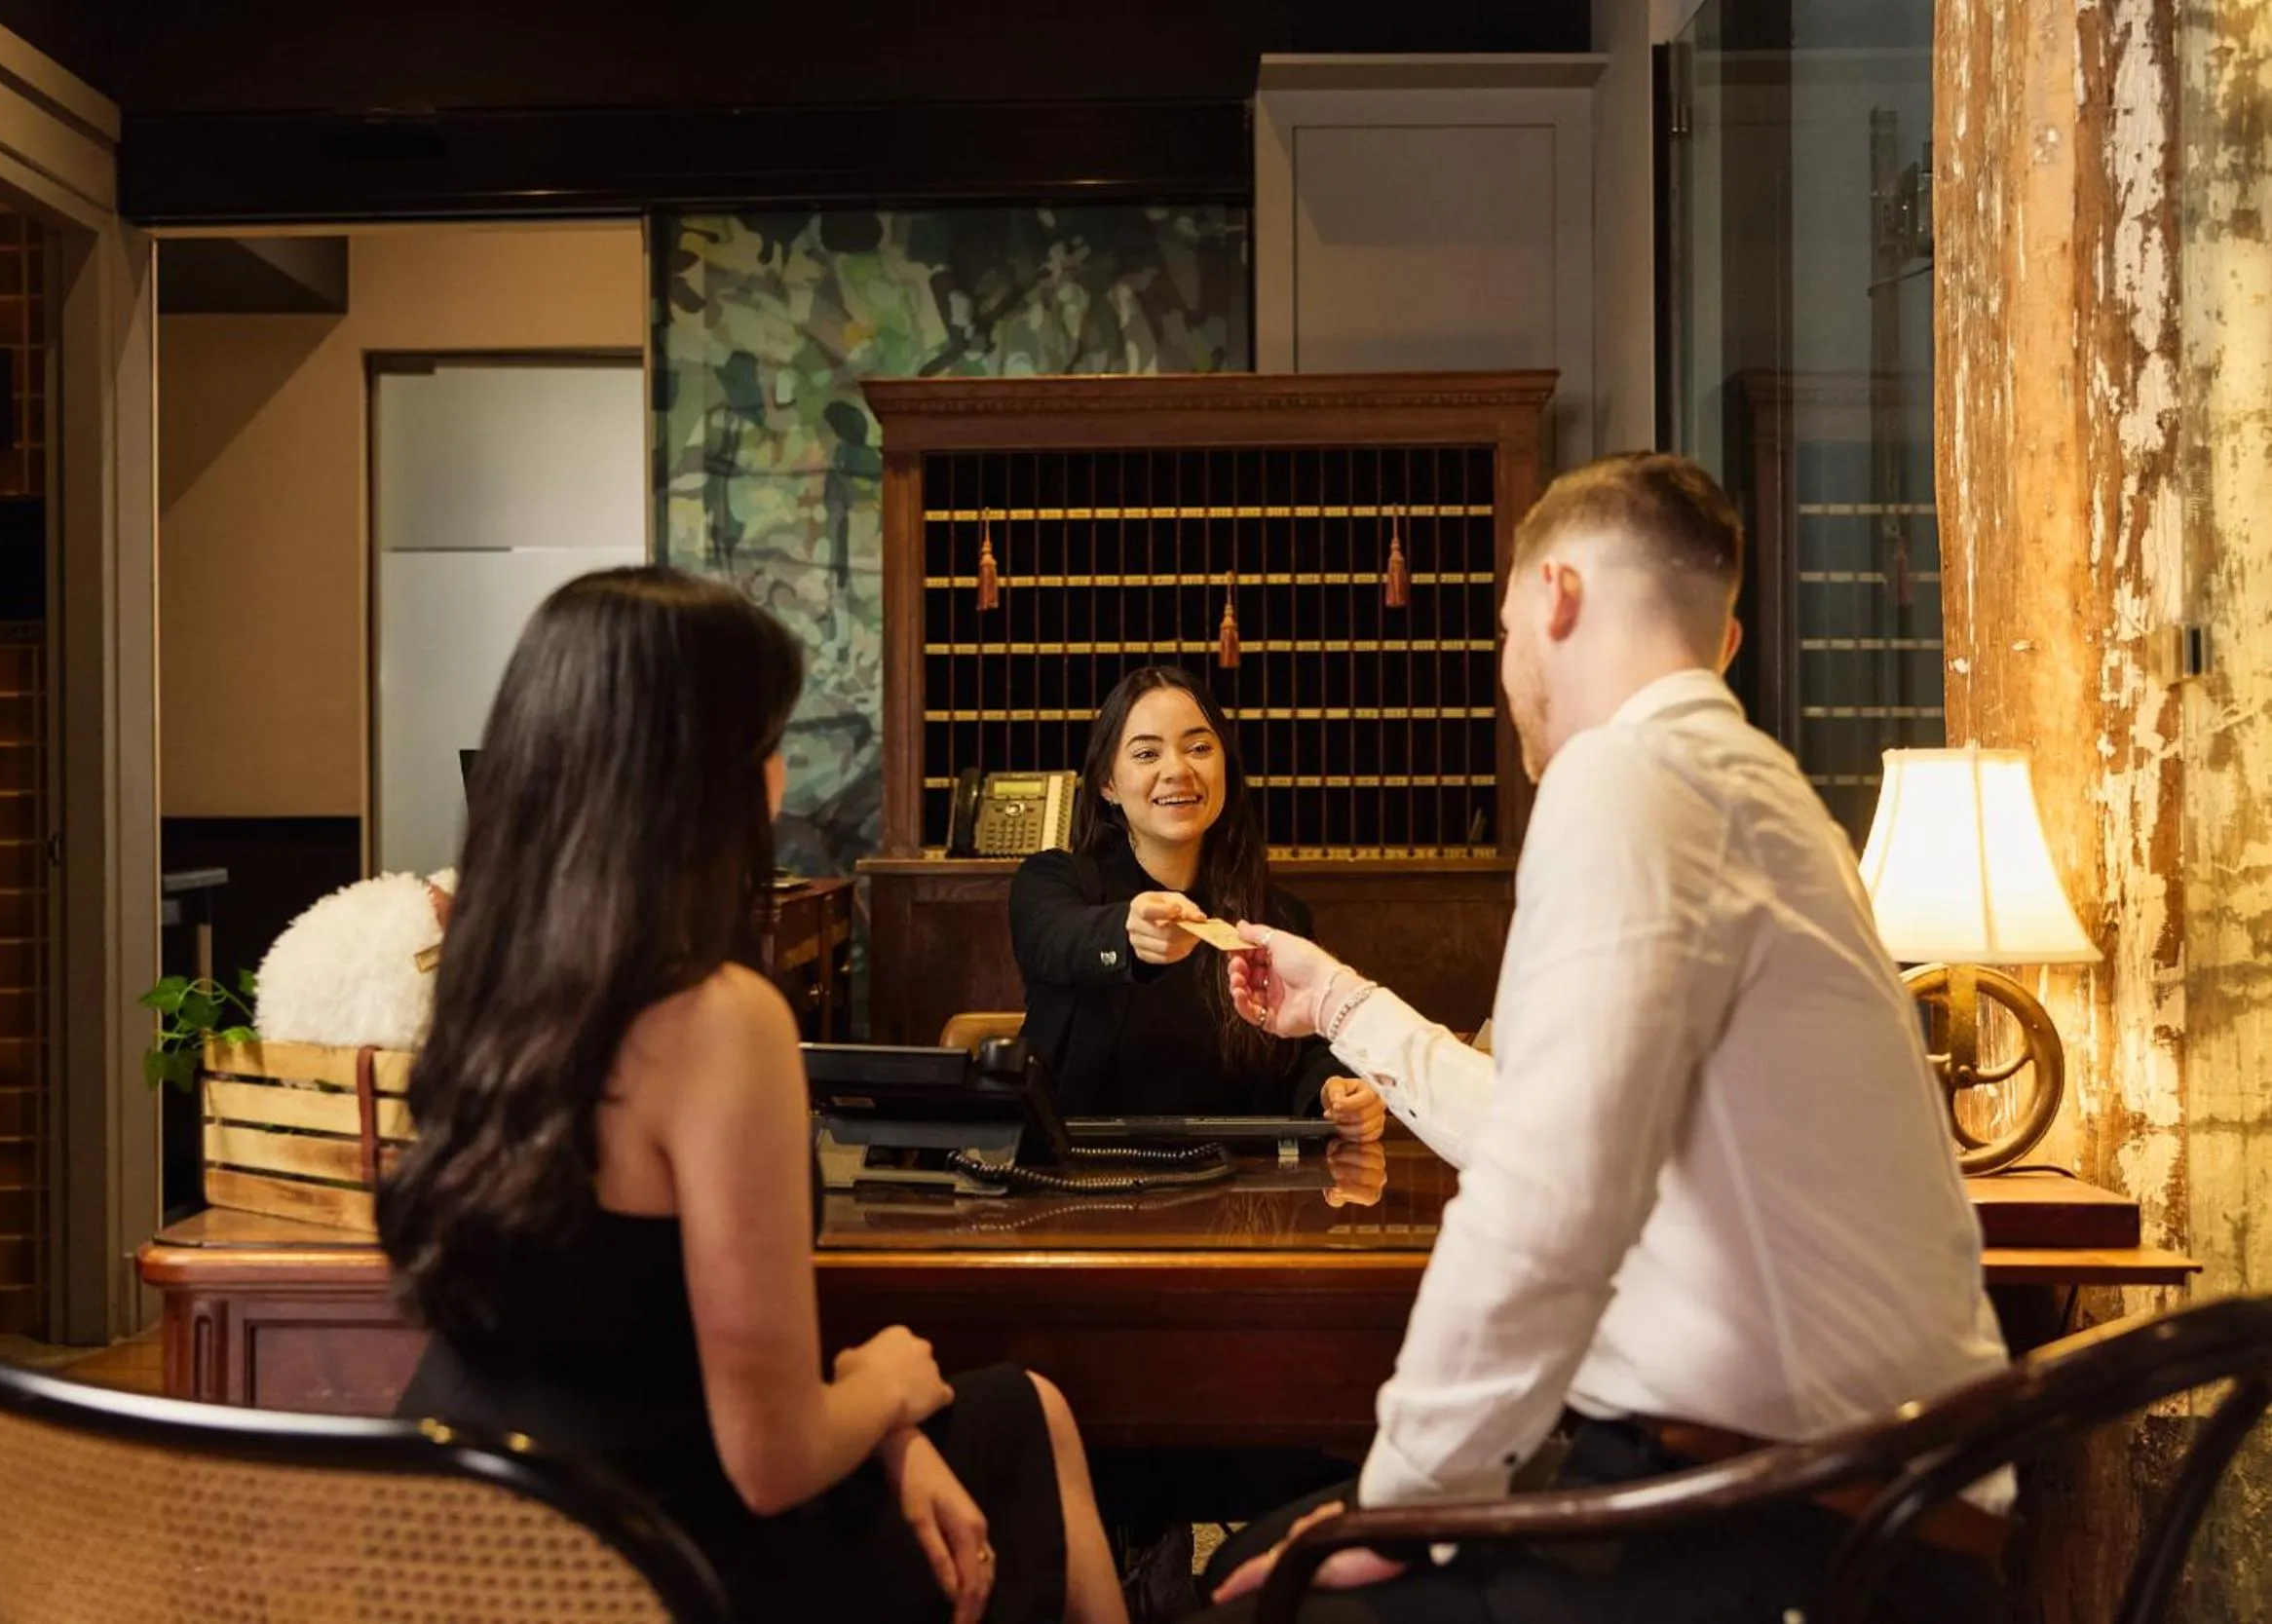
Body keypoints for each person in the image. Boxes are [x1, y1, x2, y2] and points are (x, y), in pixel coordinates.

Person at [1197, 454, 2013, 1622]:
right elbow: (1551, 1127)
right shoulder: (1759, 794)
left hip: (1790, 1526)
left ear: (1556, 597)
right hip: (1853, 1508)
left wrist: (1409, 1501)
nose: (1506, 672)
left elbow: (1545, 1198)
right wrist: (1338, 1004)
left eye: (1502, 628)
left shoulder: (1625, 780)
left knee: (1257, 1596)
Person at [378, 567, 1127, 1624]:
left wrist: (885, 1431)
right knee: (1023, 1420)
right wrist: (888, 1384)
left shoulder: (483, 977)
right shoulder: (717, 1016)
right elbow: (772, 1461)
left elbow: (638, 1325)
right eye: (770, 741)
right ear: (708, 776)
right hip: (662, 1562)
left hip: (472, 1537)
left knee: (1011, 1417)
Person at [1007, 665, 1385, 1138]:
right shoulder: (1054, 883)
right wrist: (1127, 932)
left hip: (1240, 1190)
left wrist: (1337, 1090)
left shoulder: (1277, 916)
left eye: (1199, 748)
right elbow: (1054, 938)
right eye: (1147, 753)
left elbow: (1311, 1051)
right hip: (1079, 1183)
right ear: (1107, 782)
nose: (1177, 771)